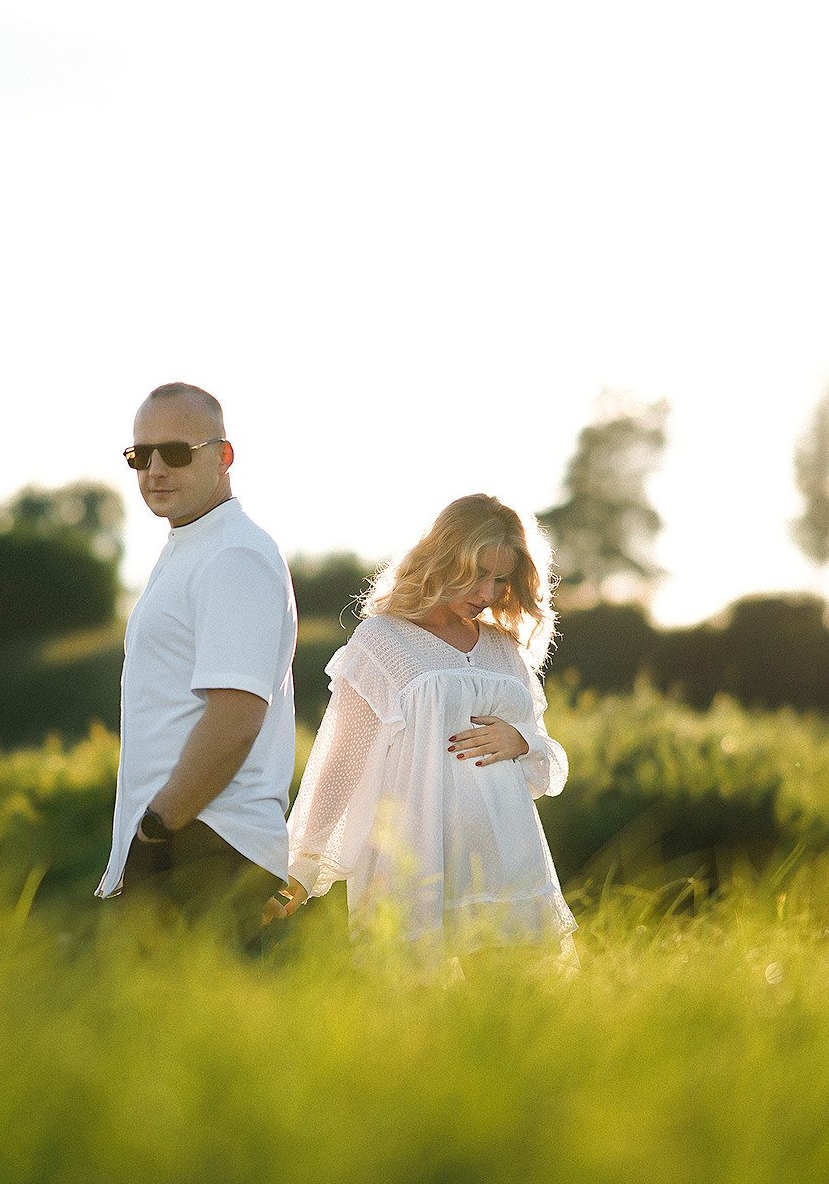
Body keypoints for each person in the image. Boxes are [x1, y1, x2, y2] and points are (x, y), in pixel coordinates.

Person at [271, 493, 574, 959]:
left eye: (500, 579)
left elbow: (546, 762)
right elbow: (341, 763)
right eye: (477, 576)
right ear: (442, 559)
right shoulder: (383, 641)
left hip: (509, 861)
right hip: (415, 862)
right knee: (419, 1024)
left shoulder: (503, 649)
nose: (488, 594)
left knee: (519, 1022)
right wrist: (302, 865)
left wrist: (520, 740)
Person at [96, 381, 297, 951]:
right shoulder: (195, 545)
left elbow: (235, 717)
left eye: (177, 452)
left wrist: (159, 826)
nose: (156, 469)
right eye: (141, 456)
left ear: (224, 456)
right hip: (189, 837)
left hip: (208, 841)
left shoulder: (232, 554)